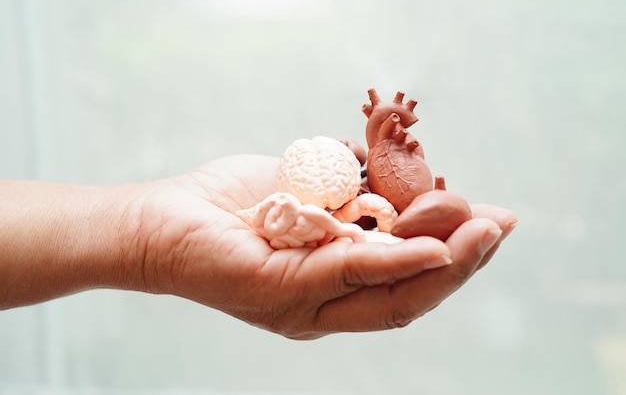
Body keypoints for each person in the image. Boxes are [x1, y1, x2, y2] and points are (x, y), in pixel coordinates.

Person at [0, 154, 517, 340]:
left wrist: (141, 225)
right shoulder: (306, 209)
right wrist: (145, 232)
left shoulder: (341, 205)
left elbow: (368, 216)